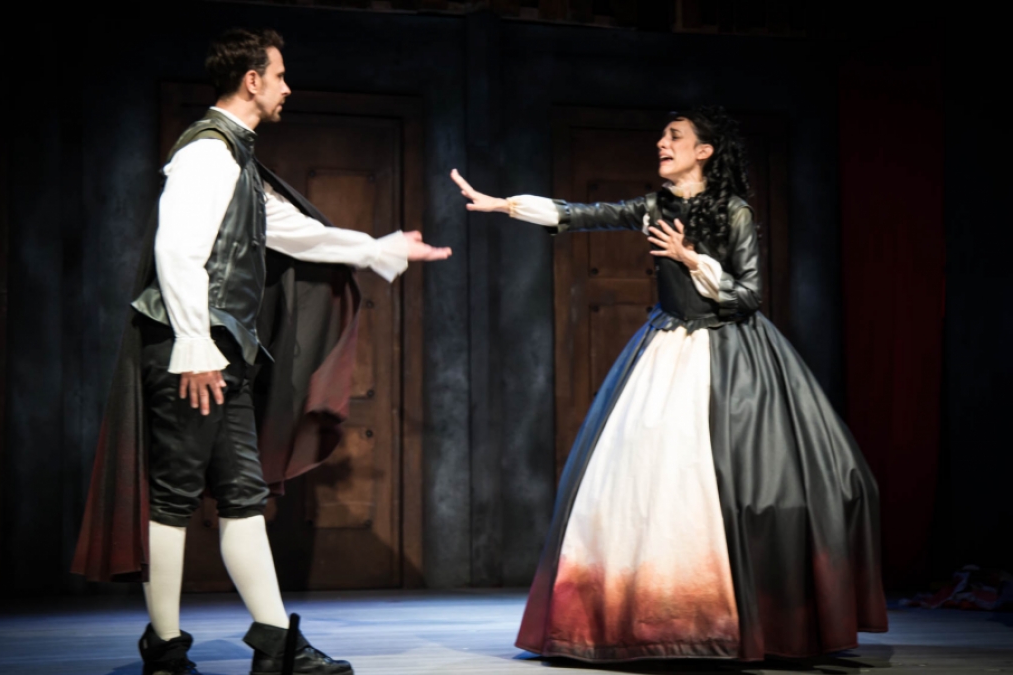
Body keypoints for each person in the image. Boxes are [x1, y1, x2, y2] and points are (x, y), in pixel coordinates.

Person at [73, 28, 451, 675]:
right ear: (251, 80)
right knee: (174, 495)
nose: (286, 88)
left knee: (243, 493)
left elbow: (293, 232)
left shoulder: (236, 159)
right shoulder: (206, 153)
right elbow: (176, 251)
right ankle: (164, 647)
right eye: (279, 76)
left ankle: (274, 643)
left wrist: (380, 248)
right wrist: (195, 346)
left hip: (223, 352)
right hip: (192, 351)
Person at [451, 106, 887, 662]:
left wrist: (691, 259)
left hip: (729, 352)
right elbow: (584, 214)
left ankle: (730, 619)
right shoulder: (654, 205)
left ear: (704, 151)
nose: (661, 142)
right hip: (664, 347)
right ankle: (643, 621)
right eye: (662, 135)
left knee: (740, 481)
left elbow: (748, 295)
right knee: (635, 479)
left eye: (674, 136)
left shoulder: (734, 212)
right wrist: (505, 205)